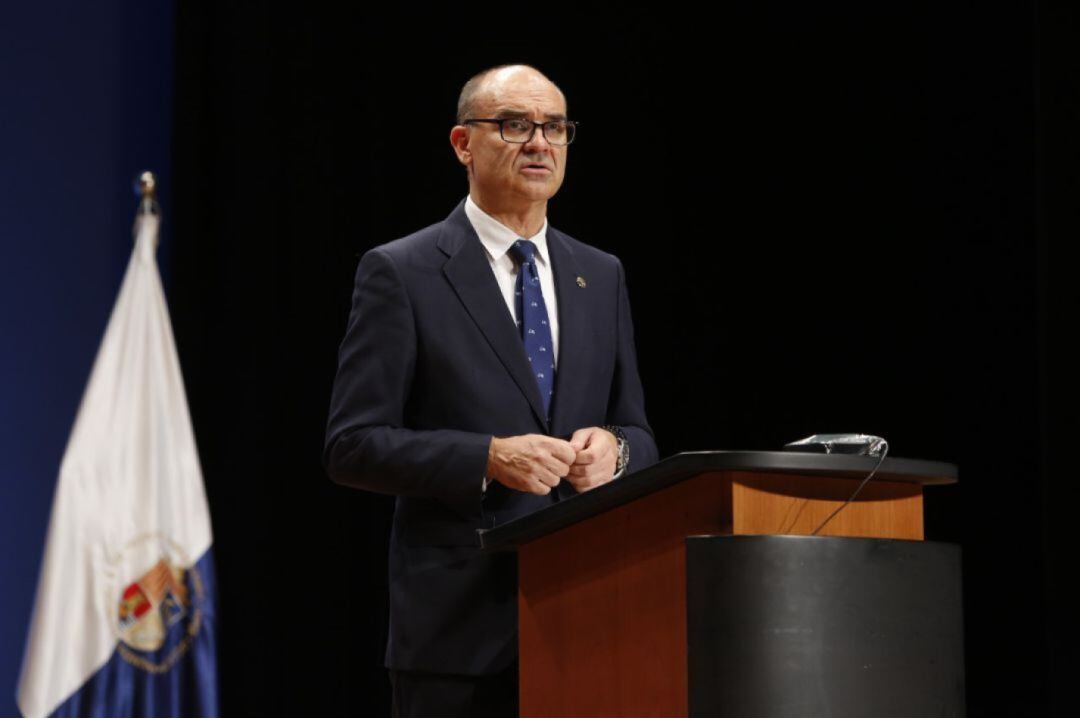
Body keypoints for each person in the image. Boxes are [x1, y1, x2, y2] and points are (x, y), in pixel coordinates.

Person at [323, 64, 658, 718]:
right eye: (514, 125)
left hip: (589, 622)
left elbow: (638, 431)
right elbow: (352, 445)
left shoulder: (601, 274)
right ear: (463, 144)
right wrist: (488, 457)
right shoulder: (402, 272)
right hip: (457, 637)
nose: (539, 143)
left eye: (554, 127)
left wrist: (615, 453)